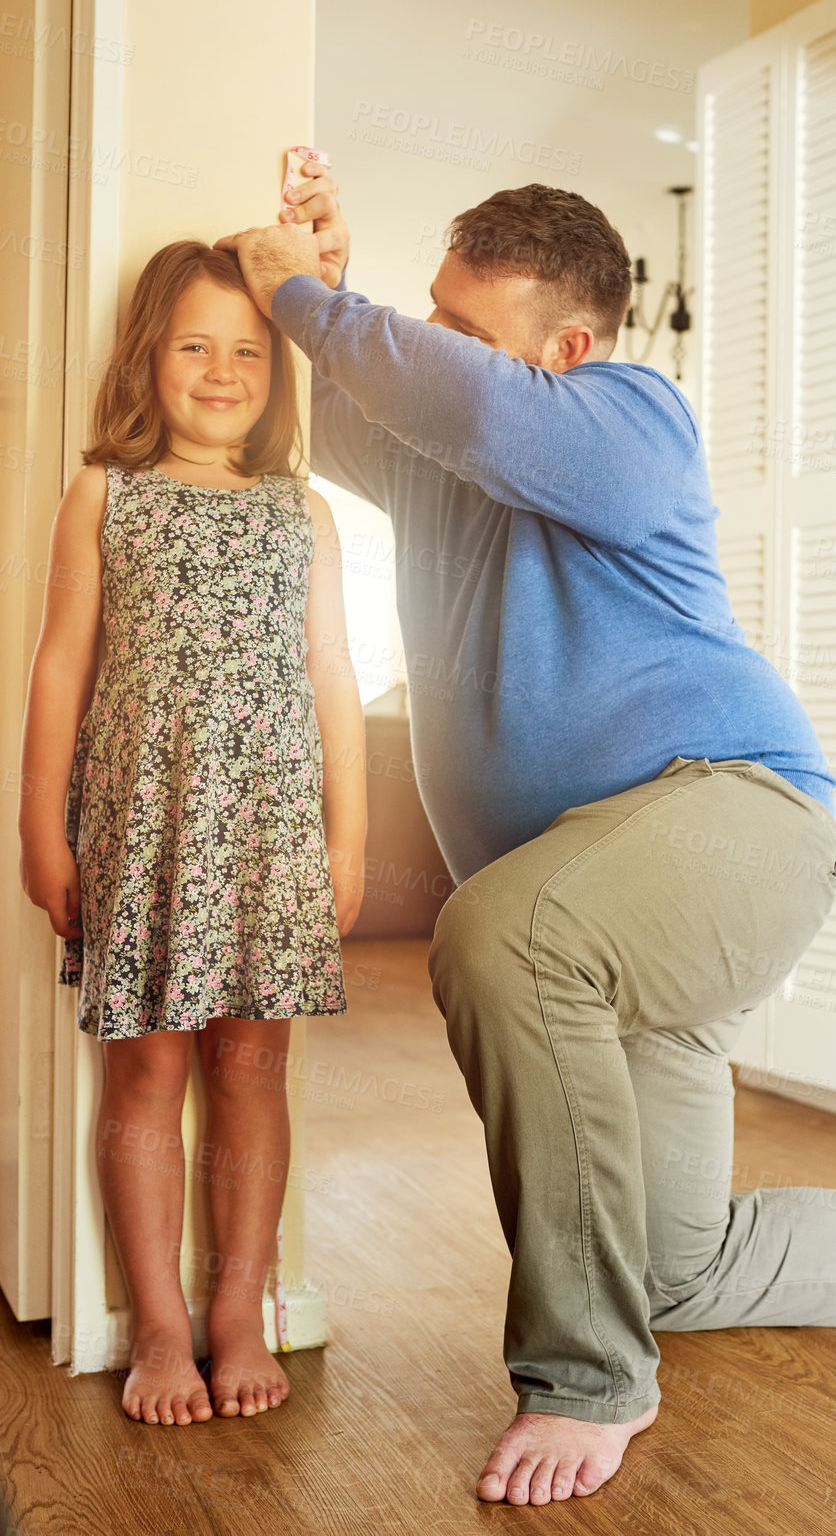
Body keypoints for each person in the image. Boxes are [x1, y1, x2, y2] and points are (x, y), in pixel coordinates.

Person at [217, 169, 836, 1506]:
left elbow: (433, 384)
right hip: (609, 910)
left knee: (498, 934)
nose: (434, 344)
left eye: (465, 325)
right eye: (426, 318)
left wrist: (306, 288)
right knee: (671, 1264)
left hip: (733, 821)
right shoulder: (448, 451)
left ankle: (586, 1379)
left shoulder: (630, 415)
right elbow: (339, 400)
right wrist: (314, 282)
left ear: (567, 348)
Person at [18, 241, 367, 1425]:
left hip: (270, 834)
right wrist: (39, 830)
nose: (222, 371)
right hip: (144, 828)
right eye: (193, 347)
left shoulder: (302, 510)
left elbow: (333, 677)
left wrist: (350, 844)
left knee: (251, 1068)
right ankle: (159, 1322)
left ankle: (238, 1305)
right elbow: (61, 666)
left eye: (248, 351)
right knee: (149, 1068)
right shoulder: (104, 492)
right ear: (147, 360)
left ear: (277, 370)